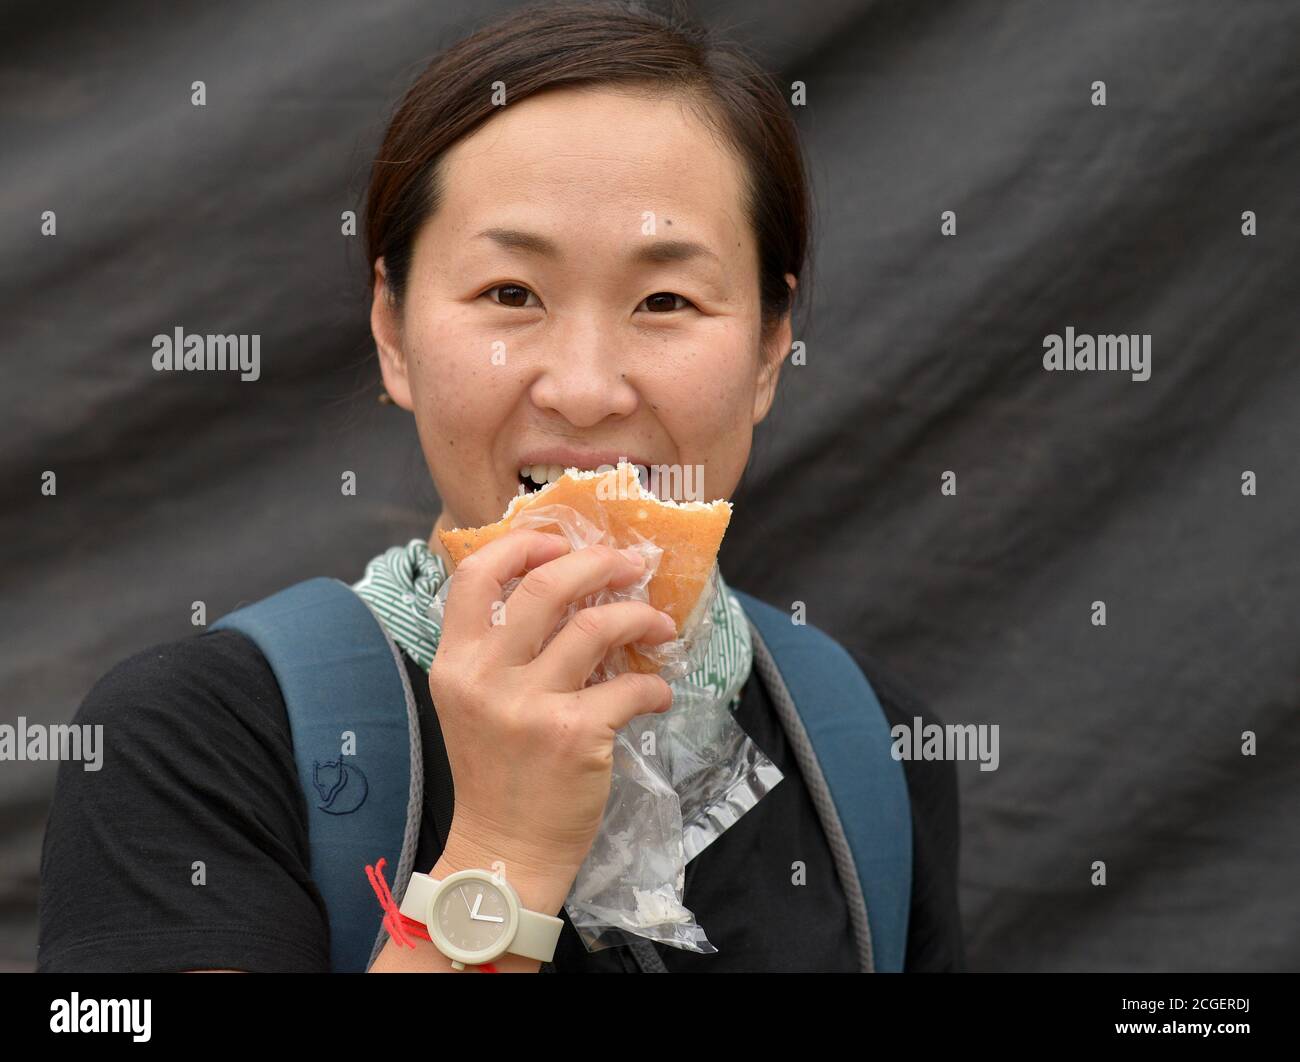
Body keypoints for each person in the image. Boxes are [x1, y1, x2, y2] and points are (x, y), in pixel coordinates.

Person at [37, 0, 964, 973]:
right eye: (510, 294)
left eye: (666, 301)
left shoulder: (868, 748)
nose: (585, 390)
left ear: (769, 351)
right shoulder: (197, 739)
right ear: (394, 334)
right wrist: (504, 854)